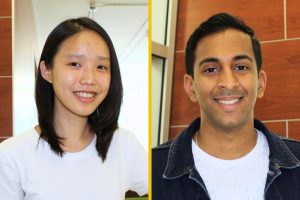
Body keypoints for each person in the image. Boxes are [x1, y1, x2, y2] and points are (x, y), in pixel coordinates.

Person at [152, 13, 300, 200]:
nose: (228, 83)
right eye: (211, 70)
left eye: (240, 67)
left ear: (260, 83)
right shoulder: (153, 168)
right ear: (191, 88)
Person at [0, 17, 147, 200]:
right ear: (47, 71)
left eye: (101, 67)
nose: (89, 79)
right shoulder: (11, 156)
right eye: (75, 64)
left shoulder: (123, 145)